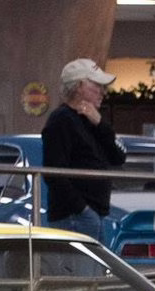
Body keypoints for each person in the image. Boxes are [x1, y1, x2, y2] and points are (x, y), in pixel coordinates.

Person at [41, 57, 124, 246]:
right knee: (82, 273)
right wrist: (82, 209)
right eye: (96, 85)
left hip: (93, 213)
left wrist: (100, 124)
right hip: (75, 216)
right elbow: (53, 173)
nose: (103, 92)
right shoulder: (61, 120)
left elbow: (118, 156)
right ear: (79, 86)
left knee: (95, 274)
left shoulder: (91, 120)